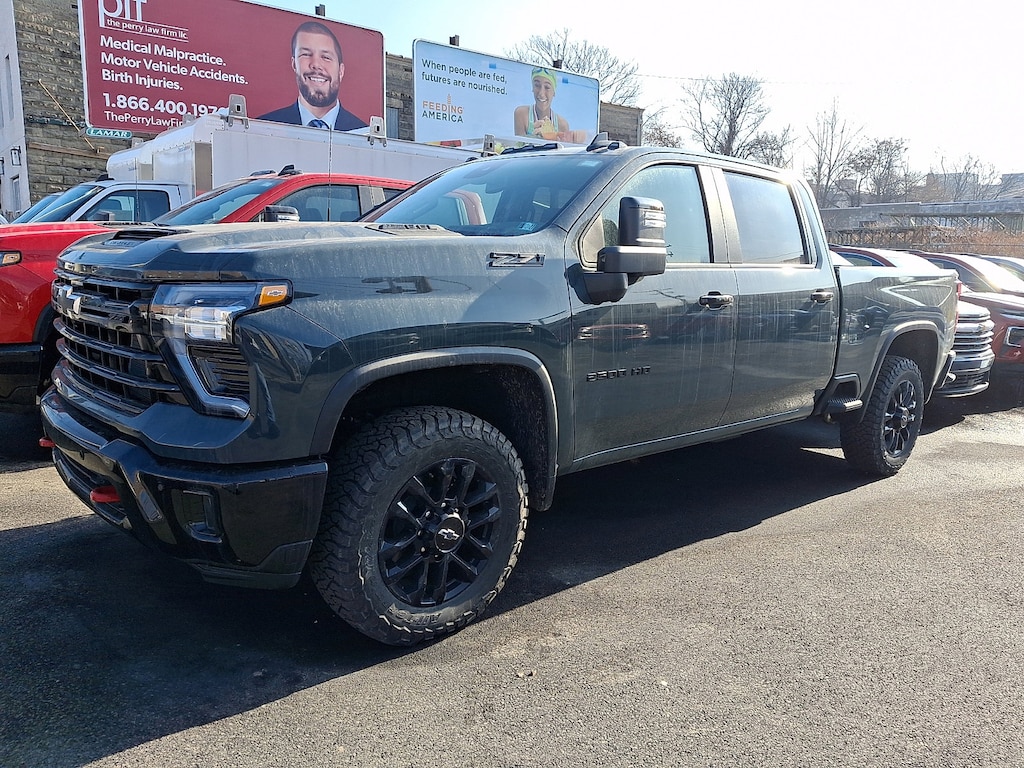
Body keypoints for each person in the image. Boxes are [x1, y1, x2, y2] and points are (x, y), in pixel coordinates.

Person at [258, 20, 367, 131]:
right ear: (294, 64)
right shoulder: (263, 128)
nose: (316, 64)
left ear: (341, 71)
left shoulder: (364, 135)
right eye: (306, 54)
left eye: (326, 57)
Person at [514, 67, 570, 140]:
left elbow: (565, 150)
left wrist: (551, 138)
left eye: (547, 87)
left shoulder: (562, 124)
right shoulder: (521, 114)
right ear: (532, 88)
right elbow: (518, 147)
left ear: (554, 92)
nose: (541, 93)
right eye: (537, 85)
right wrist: (533, 137)